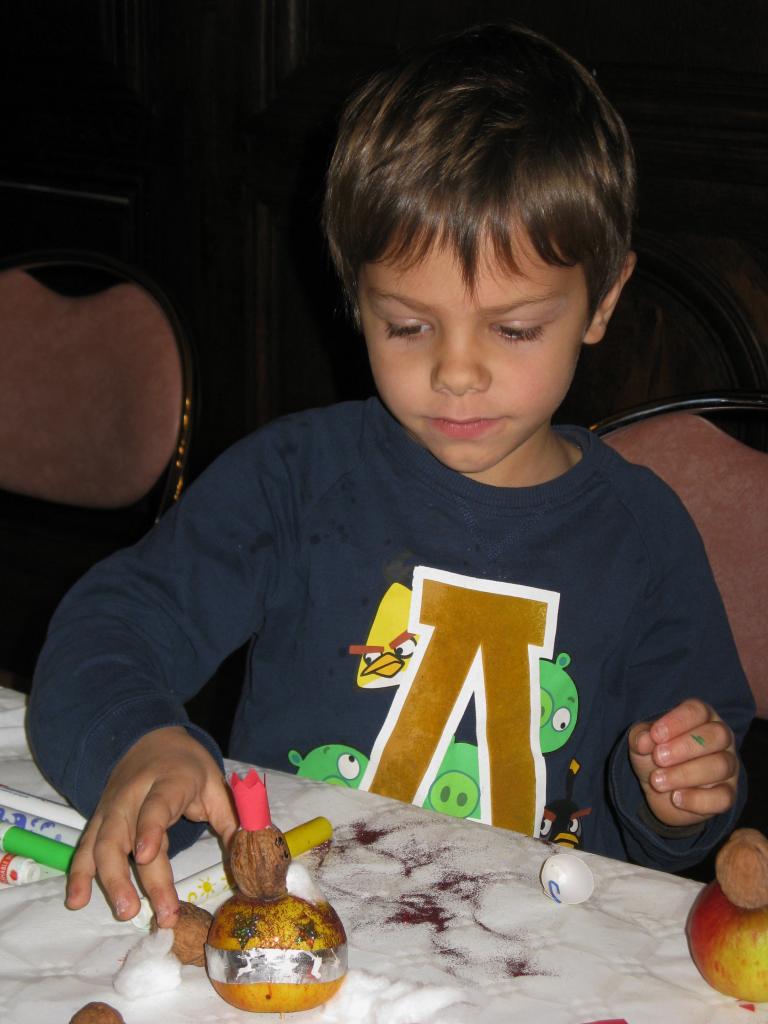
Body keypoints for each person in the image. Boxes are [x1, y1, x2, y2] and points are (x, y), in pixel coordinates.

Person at [28, 22, 753, 930]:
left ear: (603, 300)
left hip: (543, 964)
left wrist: (676, 793)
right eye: (407, 326)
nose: (456, 372)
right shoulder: (294, 480)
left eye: (514, 329)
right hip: (293, 929)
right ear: (355, 295)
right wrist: (140, 738)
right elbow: (106, 630)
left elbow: (691, 812)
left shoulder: (645, 533)